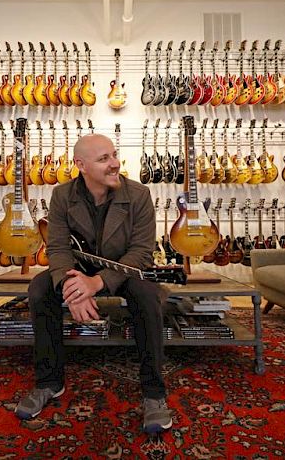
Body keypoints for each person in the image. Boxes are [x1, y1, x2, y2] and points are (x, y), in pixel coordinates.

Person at [15, 133, 173, 433]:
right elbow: (58, 249)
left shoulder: (139, 194)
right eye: (104, 159)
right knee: (39, 289)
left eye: (114, 155)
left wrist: (97, 282)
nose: (115, 164)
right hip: (76, 270)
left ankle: (154, 393)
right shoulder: (62, 195)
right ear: (81, 165)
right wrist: (72, 288)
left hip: (124, 269)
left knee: (148, 294)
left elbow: (141, 252)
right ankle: (49, 383)